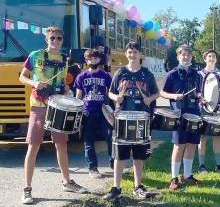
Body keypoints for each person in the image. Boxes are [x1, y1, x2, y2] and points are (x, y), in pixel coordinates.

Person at [19, 27, 87, 204]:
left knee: (61, 145)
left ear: (62, 41)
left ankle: (67, 181)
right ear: (46, 39)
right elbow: (22, 76)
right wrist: (34, 82)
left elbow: (63, 82)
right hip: (39, 105)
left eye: (58, 39)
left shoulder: (64, 60)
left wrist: (65, 89)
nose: (55, 41)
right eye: (52, 38)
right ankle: (27, 189)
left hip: (58, 107)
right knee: (33, 146)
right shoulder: (35, 55)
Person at [103, 42, 159, 200]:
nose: (132, 55)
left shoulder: (147, 74)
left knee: (138, 155)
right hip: (122, 117)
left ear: (140, 54)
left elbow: (156, 93)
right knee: (119, 156)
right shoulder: (120, 72)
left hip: (141, 117)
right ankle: (116, 187)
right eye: (129, 52)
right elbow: (111, 94)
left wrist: (149, 99)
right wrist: (117, 98)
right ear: (126, 54)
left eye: (135, 52)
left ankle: (138, 186)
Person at [160, 45, 203, 191]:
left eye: (188, 55)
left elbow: (198, 92)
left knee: (192, 144)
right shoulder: (172, 74)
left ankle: (187, 175)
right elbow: (162, 92)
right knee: (179, 145)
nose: (186, 57)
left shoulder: (197, 75)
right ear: (178, 57)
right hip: (179, 114)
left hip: (195, 113)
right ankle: (174, 178)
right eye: (183, 55)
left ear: (191, 57)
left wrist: (200, 97)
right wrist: (173, 96)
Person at [74, 49, 113, 178]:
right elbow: (78, 96)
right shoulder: (81, 76)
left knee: (110, 137)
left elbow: (110, 94)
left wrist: (113, 109)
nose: (92, 61)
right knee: (89, 141)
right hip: (87, 112)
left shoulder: (106, 76)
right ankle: (93, 168)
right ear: (86, 61)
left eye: (95, 58)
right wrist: (78, 114)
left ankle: (113, 162)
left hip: (103, 112)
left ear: (99, 60)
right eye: (89, 59)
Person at [197, 49, 220, 175]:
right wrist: (201, 97)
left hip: (216, 110)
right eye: (209, 56)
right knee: (202, 138)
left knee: (217, 137)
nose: (211, 58)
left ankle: (219, 164)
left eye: (213, 56)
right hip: (203, 109)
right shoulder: (199, 74)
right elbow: (196, 90)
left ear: (216, 59)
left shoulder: (219, 75)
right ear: (205, 59)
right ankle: (201, 165)